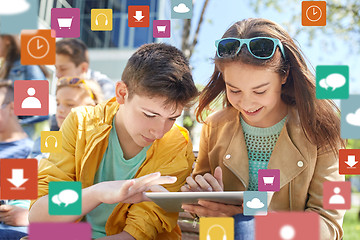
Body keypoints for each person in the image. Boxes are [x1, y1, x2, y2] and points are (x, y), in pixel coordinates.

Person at [181, 18, 345, 240]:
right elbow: (198, 210)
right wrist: (202, 199)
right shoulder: (215, 126)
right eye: (234, 90)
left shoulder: (322, 128)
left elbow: (330, 225)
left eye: (260, 91)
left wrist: (256, 219)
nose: (247, 104)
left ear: (284, 75)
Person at [28, 43, 199, 240]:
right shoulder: (81, 123)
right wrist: (97, 193)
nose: (159, 132)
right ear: (122, 93)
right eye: (150, 115)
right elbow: (40, 217)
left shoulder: (175, 144)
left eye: (172, 118)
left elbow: (136, 235)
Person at [30, 77, 105, 159]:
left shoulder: (103, 142)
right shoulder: (50, 139)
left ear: (91, 108)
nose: (60, 110)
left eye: (70, 104)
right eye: (58, 103)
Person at [0, 81, 33, 240]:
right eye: (58, 104)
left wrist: (30, 217)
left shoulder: (29, 150)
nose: (61, 110)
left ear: (12, 107)